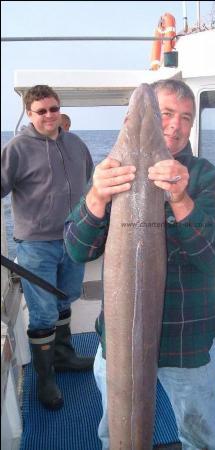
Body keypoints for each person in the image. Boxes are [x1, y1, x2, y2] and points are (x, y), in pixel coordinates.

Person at [64, 79, 215, 449]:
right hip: (118, 341)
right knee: (116, 434)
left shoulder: (210, 179)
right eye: (166, 113)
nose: (174, 125)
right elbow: (77, 251)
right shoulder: (112, 175)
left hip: (187, 343)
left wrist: (180, 198)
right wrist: (96, 197)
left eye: (185, 117)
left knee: (203, 437)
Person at [1, 84, 94, 411]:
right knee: (41, 312)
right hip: (36, 246)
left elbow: (91, 186)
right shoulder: (16, 148)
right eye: (41, 111)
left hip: (75, 239)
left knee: (65, 297)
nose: (49, 115)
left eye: (54, 109)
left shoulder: (76, 143)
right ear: (30, 113)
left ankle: (64, 355)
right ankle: (45, 378)